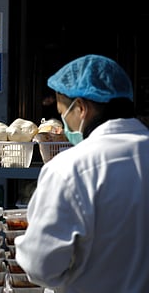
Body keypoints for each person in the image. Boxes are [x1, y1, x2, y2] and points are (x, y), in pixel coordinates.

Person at [14, 54, 149, 292]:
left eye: (63, 114)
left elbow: (39, 265)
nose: (67, 128)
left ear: (81, 108)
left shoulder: (70, 168)